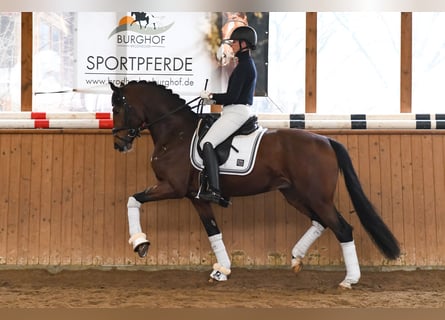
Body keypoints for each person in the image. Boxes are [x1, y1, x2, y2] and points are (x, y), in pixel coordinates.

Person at [199, 25, 258, 205]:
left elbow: (231, 97)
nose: (231, 46)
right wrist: (209, 101)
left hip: (236, 112)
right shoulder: (244, 65)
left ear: (243, 44)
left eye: (234, 43)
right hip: (234, 110)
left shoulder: (244, 67)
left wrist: (210, 96)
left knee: (206, 143)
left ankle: (216, 191)